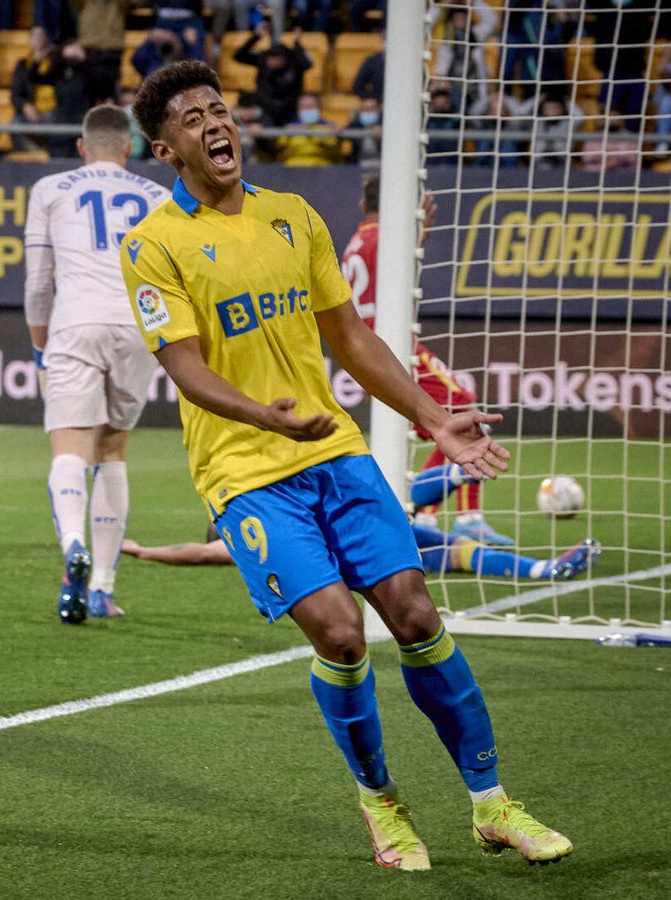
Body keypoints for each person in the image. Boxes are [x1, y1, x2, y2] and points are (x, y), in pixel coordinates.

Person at [121, 60, 572, 870]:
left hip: (334, 453)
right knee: (340, 634)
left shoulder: (293, 216)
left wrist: (436, 420)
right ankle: (383, 806)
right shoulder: (154, 245)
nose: (215, 124)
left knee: (418, 618)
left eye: (220, 110)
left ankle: (492, 804)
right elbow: (184, 366)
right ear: (167, 150)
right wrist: (264, 416)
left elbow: (352, 340)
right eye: (193, 119)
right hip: (246, 470)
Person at [24, 106, 170, 623]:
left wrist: (40, 346)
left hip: (75, 321)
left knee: (70, 445)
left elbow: (39, 281)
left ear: (83, 147)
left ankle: (72, 548)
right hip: (139, 324)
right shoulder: (160, 196)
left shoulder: (50, 188)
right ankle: (103, 588)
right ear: (128, 148)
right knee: (113, 448)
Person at [339, 175, 514, 546]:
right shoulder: (384, 236)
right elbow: (399, 268)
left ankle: (433, 518)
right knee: (462, 412)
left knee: (440, 424)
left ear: (361, 206)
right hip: (392, 347)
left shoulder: (357, 241)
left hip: (369, 349)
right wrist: (419, 230)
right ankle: (458, 518)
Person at [123, 463, 601, 580]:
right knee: (423, 518)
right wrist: (146, 551)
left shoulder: (272, 525)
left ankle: (542, 570)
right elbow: (202, 552)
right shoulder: (250, 542)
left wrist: (144, 549)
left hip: (353, 532)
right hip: (360, 547)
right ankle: (458, 472)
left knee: (455, 549)